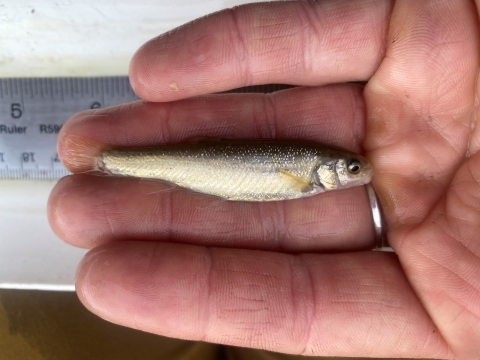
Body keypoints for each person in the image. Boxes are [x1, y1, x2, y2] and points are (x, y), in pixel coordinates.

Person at [47, 1, 480, 359]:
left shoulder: (314, 168)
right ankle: (109, 161)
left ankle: (107, 161)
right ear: (330, 168)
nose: (357, 171)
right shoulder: (312, 169)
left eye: (352, 168)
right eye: (350, 169)